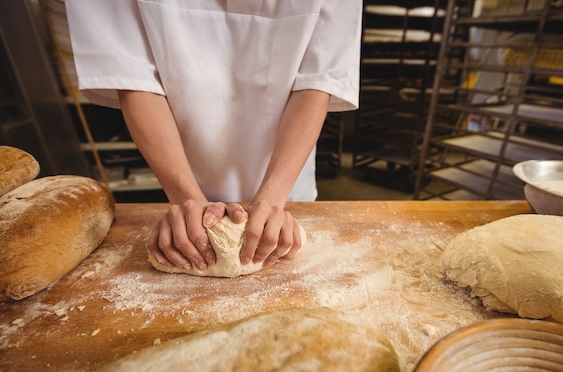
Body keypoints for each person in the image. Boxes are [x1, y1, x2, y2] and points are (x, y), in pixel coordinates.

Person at [65, 0, 362, 271]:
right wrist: (184, 201)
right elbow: (132, 76)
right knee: (190, 233)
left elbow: (317, 79)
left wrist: (273, 199)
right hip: (180, 166)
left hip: (286, 178)